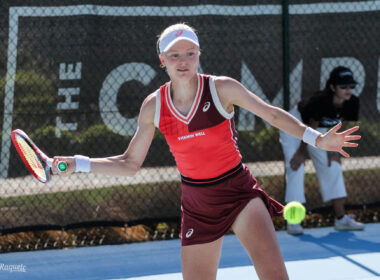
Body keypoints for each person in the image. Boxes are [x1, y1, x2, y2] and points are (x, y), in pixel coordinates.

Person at [52, 24, 360, 280]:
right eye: (174, 55)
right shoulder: (154, 106)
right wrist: (75, 163)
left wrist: (317, 140)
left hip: (239, 191)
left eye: (190, 53)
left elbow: (273, 115)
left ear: (199, 54)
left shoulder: (222, 88)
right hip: (197, 202)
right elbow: (129, 163)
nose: (183, 60)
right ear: (163, 59)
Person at [280, 66, 365, 235]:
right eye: (343, 86)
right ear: (332, 87)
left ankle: (341, 219)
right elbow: (309, 129)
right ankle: (293, 221)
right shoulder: (321, 101)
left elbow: (343, 124)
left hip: (320, 131)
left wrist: (335, 151)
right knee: (297, 166)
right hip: (295, 125)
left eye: (351, 86)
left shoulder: (353, 102)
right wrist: (300, 153)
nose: (348, 90)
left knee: (333, 165)